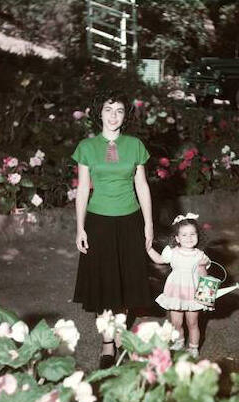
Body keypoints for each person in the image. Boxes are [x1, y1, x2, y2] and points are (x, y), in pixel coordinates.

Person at [72, 90, 153, 368]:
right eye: (108, 109)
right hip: (99, 222)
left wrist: (149, 223)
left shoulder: (135, 145)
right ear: (99, 113)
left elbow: (142, 185)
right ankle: (108, 343)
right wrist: (80, 227)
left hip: (129, 219)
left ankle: (120, 335)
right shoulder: (86, 147)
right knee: (105, 286)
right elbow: (83, 188)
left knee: (126, 283)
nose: (114, 115)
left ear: (125, 115)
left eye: (119, 110)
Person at [147, 214, 210, 358]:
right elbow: (159, 259)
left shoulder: (200, 255)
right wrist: (149, 249)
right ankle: (179, 341)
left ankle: (193, 347)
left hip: (192, 293)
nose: (189, 238)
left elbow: (205, 278)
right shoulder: (172, 252)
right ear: (177, 238)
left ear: (198, 236)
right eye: (184, 234)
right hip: (175, 291)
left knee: (192, 322)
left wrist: (202, 266)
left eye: (192, 234)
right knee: (176, 322)